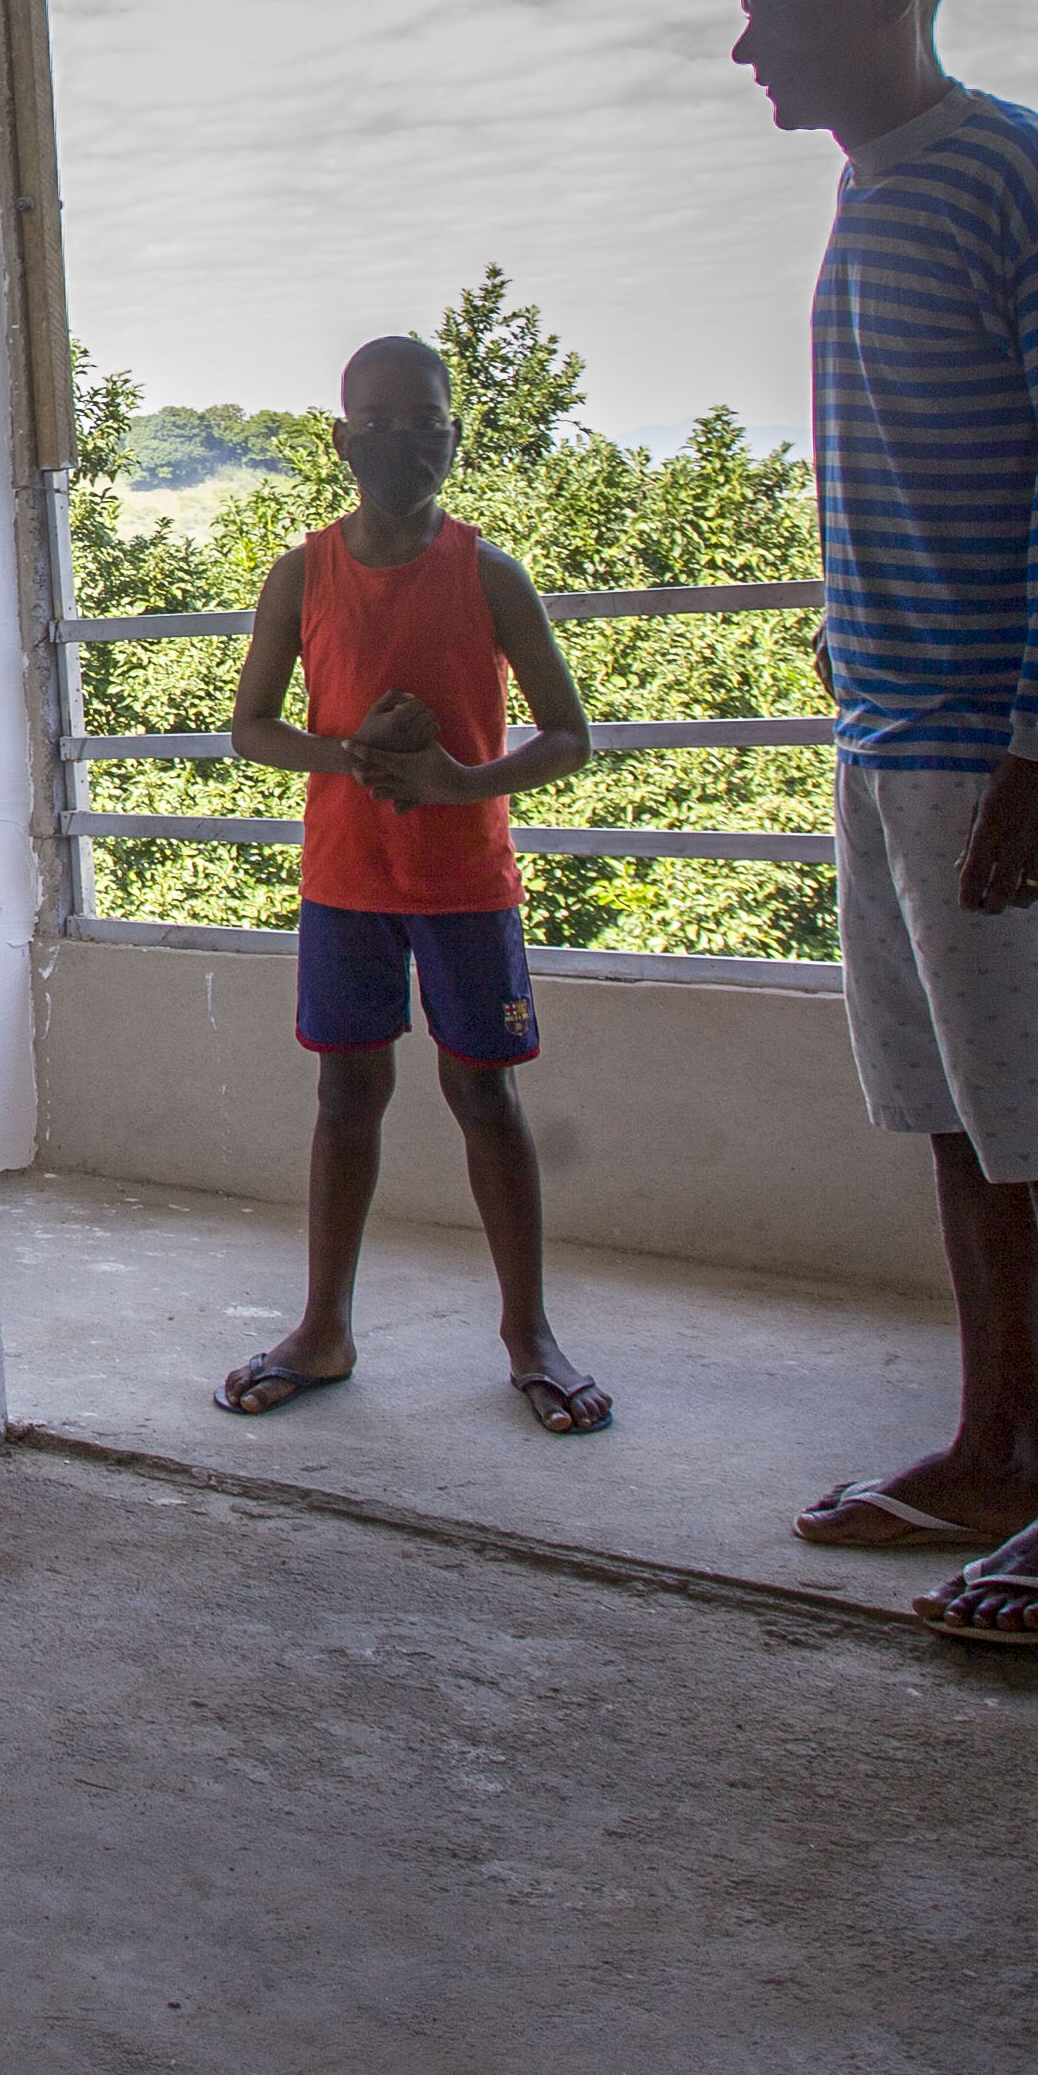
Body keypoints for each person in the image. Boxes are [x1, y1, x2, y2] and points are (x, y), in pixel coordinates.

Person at [735, 0, 1038, 1649]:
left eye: (773, 9)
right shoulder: (877, 188)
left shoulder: (1027, 173)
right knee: (957, 1112)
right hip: (902, 738)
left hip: (1011, 747)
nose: (746, 47)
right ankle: (999, 1449)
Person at [210, 332, 608, 1432]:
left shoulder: (489, 573)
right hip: (346, 881)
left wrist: (460, 783)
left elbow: (570, 736)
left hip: (466, 884)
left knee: (486, 1097)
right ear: (342, 441)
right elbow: (251, 728)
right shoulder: (302, 573)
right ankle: (323, 1329)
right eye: (377, 423)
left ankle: (530, 1336)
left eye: (423, 421)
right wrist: (353, 757)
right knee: (346, 1097)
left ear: (454, 434)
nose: (402, 441)